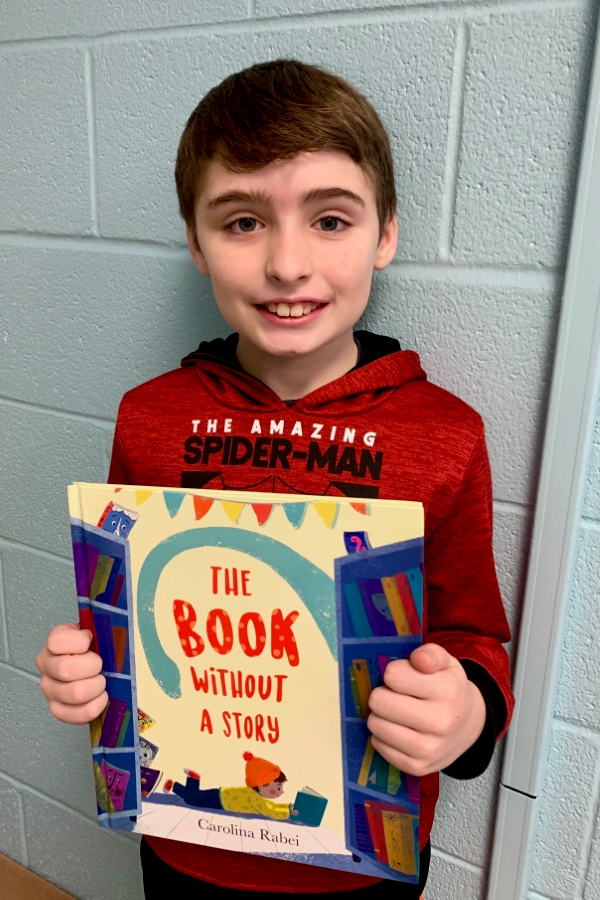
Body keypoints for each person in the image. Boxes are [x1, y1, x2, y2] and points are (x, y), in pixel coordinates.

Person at [36, 59, 513, 898]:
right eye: (244, 222)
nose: (289, 264)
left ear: (386, 233)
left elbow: (474, 634)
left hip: (364, 861)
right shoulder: (152, 418)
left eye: (331, 220)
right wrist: (84, 672)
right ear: (195, 242)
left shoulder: (444, 436)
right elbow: (120, 617)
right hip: (187, 848)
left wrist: (465, 714)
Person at [165, 752, 298, 821]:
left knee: (197, 796)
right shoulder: (255, 798)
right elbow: (270, 811)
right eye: (277, 788)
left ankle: (192, 779)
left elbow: (270, 805)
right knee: (192, 800)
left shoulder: (254, 793)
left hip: (221, 794)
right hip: (221, 801)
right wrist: (288, 813)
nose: (280, 792)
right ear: (262, 785)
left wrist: (287, 806)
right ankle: (175, 786)